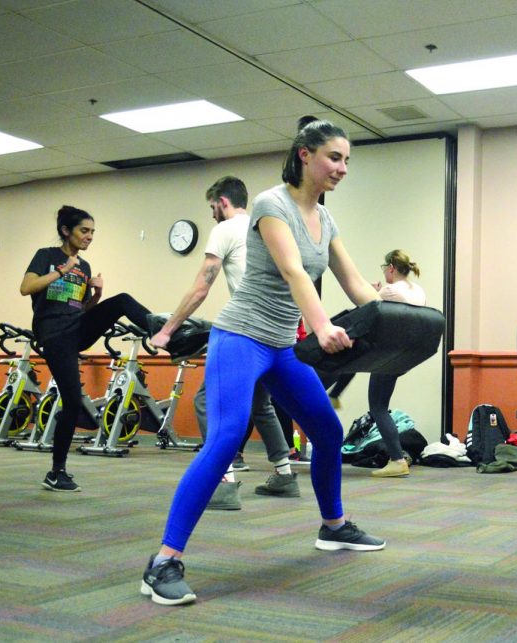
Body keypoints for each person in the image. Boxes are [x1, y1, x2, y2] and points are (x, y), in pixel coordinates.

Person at [141, 116, 386, 606]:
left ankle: (333, 525)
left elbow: (355, 282)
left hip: (281, 345)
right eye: (334, 157)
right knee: (227, 437)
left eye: (347, 160)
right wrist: (320, 327)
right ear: (305, 155)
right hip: (241, 336)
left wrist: (396, 311)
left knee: (328, 432)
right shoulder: (271, 205)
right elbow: (295, 272)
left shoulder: (327, 219)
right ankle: (162, 562)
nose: (342, 168)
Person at [151, 176, 299, 509]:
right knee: (261, 405)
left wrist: (167, 330)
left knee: (207, 401)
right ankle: (285, 475)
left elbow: (201, 287)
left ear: (223, 202)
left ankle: (224, 479)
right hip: (279, 329)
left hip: (248, 330)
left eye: (211, 207)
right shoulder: (269, 225)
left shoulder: (227, 229)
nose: (212, 214)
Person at [20, 205, 152, 492]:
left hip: (76, 328)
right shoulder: (47, 256)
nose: (89, 237)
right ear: (66, 231)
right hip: (53, 334)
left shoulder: (85, 266)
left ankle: (164, 331)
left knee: (121, 300)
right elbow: (26, 287)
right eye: (84, 230)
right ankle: (57, 472)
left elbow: (80, 309)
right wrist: (60, 272)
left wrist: (98, 295)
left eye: (93, 232)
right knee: (72, 402)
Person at [367, 249, 427, 478]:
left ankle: (397, 459)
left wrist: (374, 292)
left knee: (378, 407)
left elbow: (365, 308)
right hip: (406, 355)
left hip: (389, 355)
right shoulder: (418, 290)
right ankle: (397, 457)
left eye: (384, 268)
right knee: (381, 404)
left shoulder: (391, 290)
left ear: (390, 267)